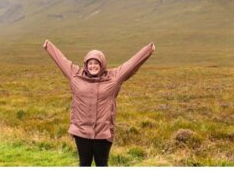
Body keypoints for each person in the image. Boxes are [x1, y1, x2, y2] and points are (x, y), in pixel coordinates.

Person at [43, 39, 155, 167]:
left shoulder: (113, 78)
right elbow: (62, 61)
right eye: (90, 63)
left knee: (102, 164)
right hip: (81, 131)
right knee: (84, 164)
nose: (93, 66)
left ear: (102, 64)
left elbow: (131, 64)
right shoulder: (75, 75)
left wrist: (148, 49)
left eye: (96, 63)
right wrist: (48, 46)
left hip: (103, 132)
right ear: (86, 64)